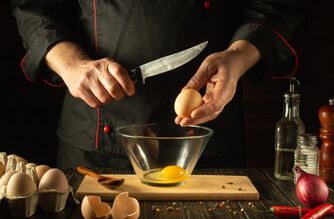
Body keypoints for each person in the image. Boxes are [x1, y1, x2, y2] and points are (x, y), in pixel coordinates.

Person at [10, 0, 305, 168]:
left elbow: (276, 4)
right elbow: (33, 6)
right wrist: (70, 63)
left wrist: (238, 56)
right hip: (97, 139)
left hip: (208, 137)